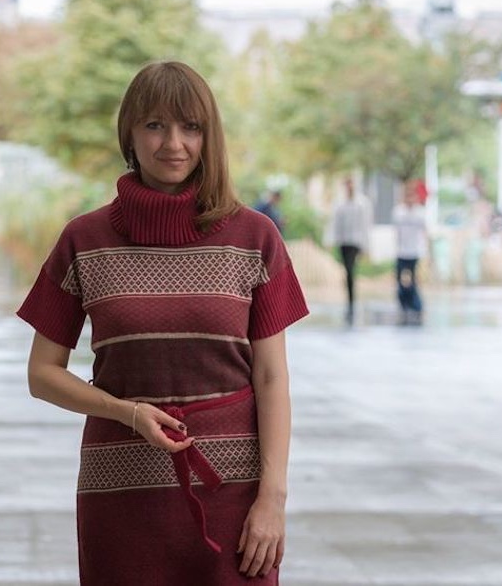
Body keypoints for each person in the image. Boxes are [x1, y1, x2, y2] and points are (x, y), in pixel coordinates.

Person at [18, 61, 309, 585]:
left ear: (209, 136)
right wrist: (126, 412)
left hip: (236, 493)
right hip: (119, 492)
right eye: (155, 125)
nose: (173, 143)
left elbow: (271, 378)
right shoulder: (84, 241)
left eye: (190, 127)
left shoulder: (254, 237)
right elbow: (42, 373)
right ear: (130, 132)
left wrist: (273, 498)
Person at [328, 177, 373, 325]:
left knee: (350, 269)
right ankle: (350, 295)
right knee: (348, 270)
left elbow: (366, 225)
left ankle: (351, 298)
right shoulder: (340, 204)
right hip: (344, 242)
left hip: (356, 241)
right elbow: (336, 223)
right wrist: (333, 240)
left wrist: (366, 246)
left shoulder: (362, 203)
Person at [392, 181, 427, 326]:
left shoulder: (419, 213)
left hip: (414, 251)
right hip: (401, 251)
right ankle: (403, 303)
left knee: (412, 280)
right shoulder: (398, 212)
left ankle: (416, 304)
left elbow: (425, 232)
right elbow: (396, 232)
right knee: (400, 280)